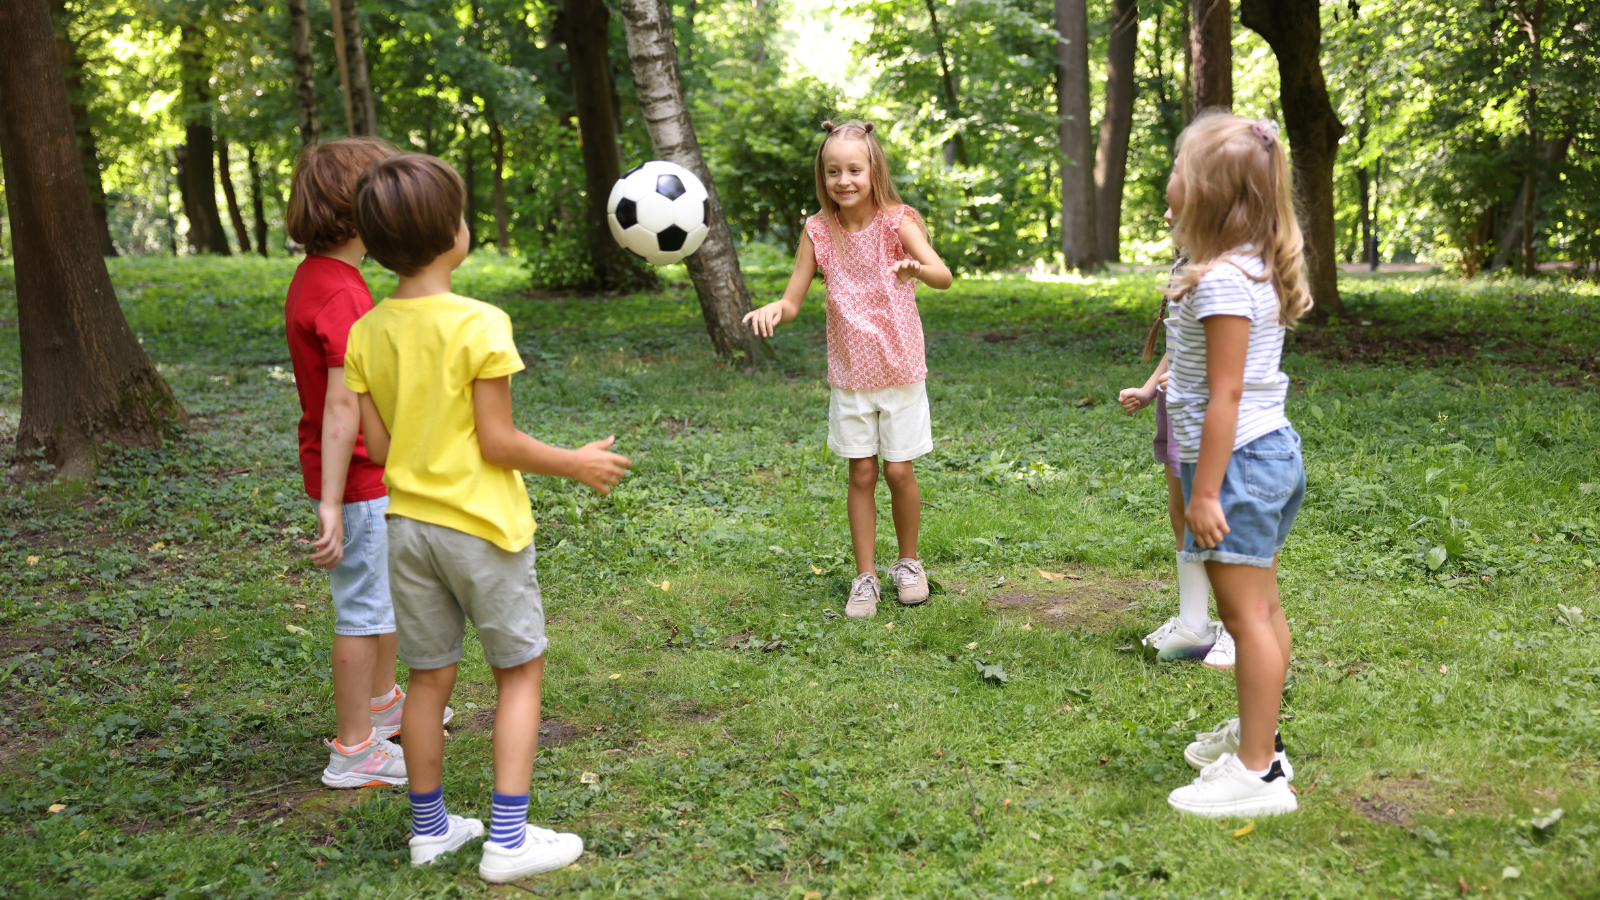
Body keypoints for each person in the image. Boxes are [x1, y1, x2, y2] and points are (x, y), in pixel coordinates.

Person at [344, 153, 633, 879]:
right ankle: (507, 840)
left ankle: (431, 830)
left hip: (405, 529)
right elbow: (498, 441)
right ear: (453, 234)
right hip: (480, 529)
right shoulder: (481, 322)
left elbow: (378, 447)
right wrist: (577, 461)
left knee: (428, 680)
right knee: (520, 673)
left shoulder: (366, 333)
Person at [283, 136, 450, 790]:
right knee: (363, 611)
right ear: (357, 213)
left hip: (356, 476)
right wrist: (331, 503)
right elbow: (341, 408)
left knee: (379, 604)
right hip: (354, 480)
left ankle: (381, 706)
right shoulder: (341, 295)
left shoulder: (324, 279)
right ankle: (354, 750)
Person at [1158, 113, 1309, 817]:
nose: (1171, 176)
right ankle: (1261, 738)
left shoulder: (1221, 280)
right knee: (1264, 611)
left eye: (1180, 165)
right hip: (1269, 454)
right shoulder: (1252, 263)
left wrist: (1205, 490)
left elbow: (1225, 392)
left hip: (1239, 466)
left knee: (1245, 619)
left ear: (1208, 193)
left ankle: (1258, 776)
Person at [743, 120, 953, 619]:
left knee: (898, 470)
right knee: (861, 472)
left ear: (873, 169)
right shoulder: (818, 231)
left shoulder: (897, 221)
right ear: (823, 176)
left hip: (900, 370)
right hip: (850, 377)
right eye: (833, 171)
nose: (844, 180)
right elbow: (794, 299)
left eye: (854, 169)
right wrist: (777, 308)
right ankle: (866, 576)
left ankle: (908, 563)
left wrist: (915, 268)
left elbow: (943, 275)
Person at [1118, 258, 1236, 670]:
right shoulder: (1184, 265)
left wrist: (1194, 380)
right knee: (1182, 513)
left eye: (1175, 203)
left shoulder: (1227, 269)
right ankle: (1194, 624)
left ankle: (1239, 629)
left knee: (1216, 515)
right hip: (1179, 406)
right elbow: (1180, 344)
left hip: (1210, 410)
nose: (1167, 216)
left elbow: (1237, 351)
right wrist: (1150, 389)